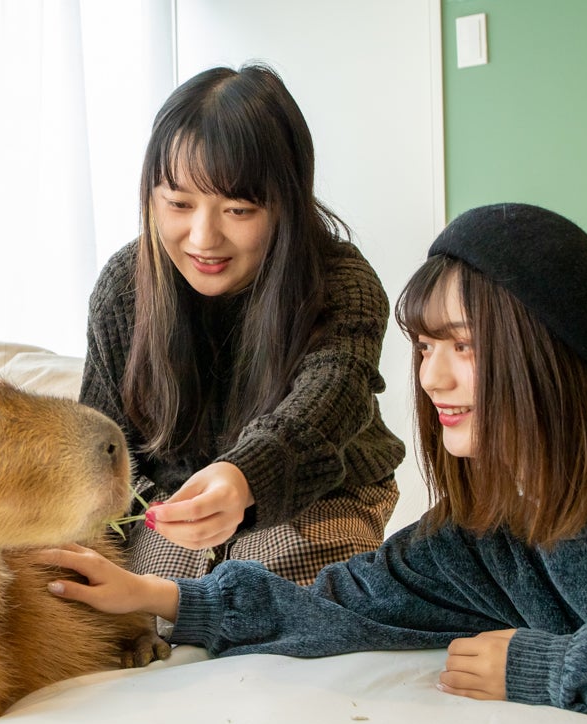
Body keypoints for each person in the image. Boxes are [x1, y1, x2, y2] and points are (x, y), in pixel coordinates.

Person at [47, 203, 587, 724]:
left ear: (547, 354)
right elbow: (346, 601)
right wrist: (163, 598)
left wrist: (560, 666)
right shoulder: (496, 517)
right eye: (423, 346)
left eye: (462, 348)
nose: (432, 378)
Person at [82, 62, 405, 585]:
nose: (203, 238)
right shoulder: (124, 285)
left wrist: (244, 476)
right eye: (179, 204)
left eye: (237, 210)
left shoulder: (341, 281)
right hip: (172, 497)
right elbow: (102, 437)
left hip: (321, 487)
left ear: (286, 205)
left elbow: (327, 401)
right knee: (154, 600)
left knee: (276, 580)